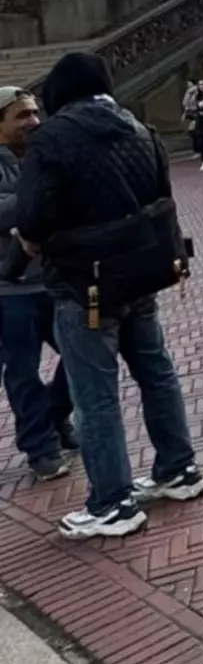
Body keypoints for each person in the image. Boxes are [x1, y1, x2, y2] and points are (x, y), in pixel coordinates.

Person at [13, 52, 203, 540]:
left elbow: (33, 218)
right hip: (142, 272)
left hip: (84, 282)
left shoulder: (50, 140)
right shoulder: (141, 129)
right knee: (156, 372)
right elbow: (160, 195)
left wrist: (30, 241)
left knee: (94, 395)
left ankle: (112, 502)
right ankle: (178, 470)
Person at [0, 86, 75, 484]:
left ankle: (55, 415)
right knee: (22, 372)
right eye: (21, 115)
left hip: (52, 280)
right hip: (8, 290)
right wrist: (38, 199)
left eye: (34, 113)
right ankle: (40, 447)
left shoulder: (43, 154)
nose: (32, 121)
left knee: (80, 355)